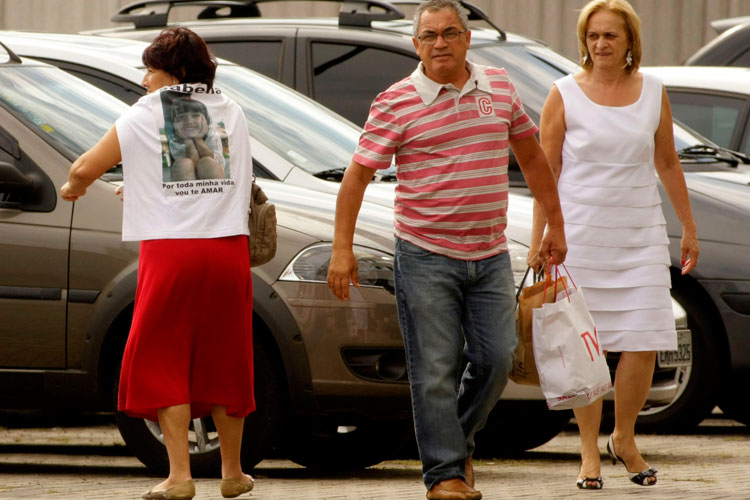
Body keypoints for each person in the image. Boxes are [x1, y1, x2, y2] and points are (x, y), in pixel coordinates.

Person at [327, 1, 566, 499]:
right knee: (434, 370)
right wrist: (341, 249)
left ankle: (454, 446)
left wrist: (555, 226)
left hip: (490, 252)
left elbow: (531, 154)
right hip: (424, 254)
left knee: (498, 359)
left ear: (466, 39)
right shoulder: (396, 101)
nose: (440, 43)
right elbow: (356, 177)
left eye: (450, 33)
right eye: (429, 35)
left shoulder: (498, 86)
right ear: (416, 45)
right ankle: (445, 477)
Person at [60, 27, 256, 500]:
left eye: (152, 69)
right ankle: (232, 472)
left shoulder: (145, 112)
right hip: (229, 250)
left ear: (177, 72)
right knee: (226, 355)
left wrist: (71, 188)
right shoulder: (231, 109)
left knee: (166, 356)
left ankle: (180, 477)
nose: (145, 80)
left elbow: (86, 167)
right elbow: (214, 180)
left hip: (172, 253)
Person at [528, 0, 699, 490]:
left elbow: (667, 161)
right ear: (584, 42)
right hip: (579, 235)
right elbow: (547, 171)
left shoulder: (653, 92)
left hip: (640, 233)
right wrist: (540, 237)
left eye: (610, 36)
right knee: (588, 347)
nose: (600, 44)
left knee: (644, 340)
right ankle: (588, 453)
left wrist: (687, 226)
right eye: (593, 36)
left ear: (630, 43)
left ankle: (623, 438)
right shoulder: (563, 93)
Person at [168, 96, 227, 181]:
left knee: (207, 162)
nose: (189, 121)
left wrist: (198, 138)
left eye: (195, 116)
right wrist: (187, 140)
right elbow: (194, 164)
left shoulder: (212, 134)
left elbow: (210, 164)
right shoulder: (175, 142)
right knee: (184, 164)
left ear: (205, 119)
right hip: (190, 181)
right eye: (181, 117)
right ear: (175, 124)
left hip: (212, 177)